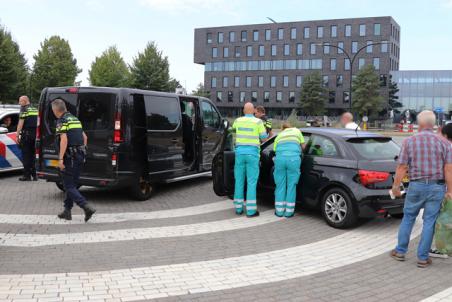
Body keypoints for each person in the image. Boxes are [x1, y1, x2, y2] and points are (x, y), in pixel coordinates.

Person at [390, 110, 452, 268]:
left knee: (408, 217)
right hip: (437, 186)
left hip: (416, 185)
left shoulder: (409, 141)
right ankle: (423, 258)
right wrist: (450, 190)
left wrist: (396, 186)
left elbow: (402, 166)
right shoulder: (445, 143)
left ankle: (400, 251)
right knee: (429, 221)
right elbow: (448, 170)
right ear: (433, 124)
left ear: (419, 123)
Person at [52, 99, 96, 222]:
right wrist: (83, 152)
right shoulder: (75, 119)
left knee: (68, 185)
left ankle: (86, 207)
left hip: (69, 157)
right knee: (72, 185)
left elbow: (64, 140)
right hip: (79, 156)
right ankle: (67, 211)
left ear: (55, 110)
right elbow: (85, 137)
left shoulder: (62, 120)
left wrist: (60, 159)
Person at [232, 102, 268, 217]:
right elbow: (264, 138)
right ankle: (251, 211)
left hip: (239, 154)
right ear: (253, 111)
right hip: (252, 155)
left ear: (243, 110)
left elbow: (233, 131)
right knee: (251, 182)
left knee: (239, 180)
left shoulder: (237, 121)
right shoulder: (258, 122)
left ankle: (238, 209)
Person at [273, 122, 305, 217]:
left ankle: (279, 211)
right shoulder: (297, 131)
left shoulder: (279, 135)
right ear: (290, 127)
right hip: (293, 160)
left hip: (280, 160)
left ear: (282, 129)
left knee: (280, 185)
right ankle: (289, 212)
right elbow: (303, 147)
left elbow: (275, 150)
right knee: (291, 185)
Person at [429, 122, 452, 259]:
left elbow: (448, 170)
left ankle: (442, 249)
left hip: (448, 188)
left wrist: (449, 190)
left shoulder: (448, 148)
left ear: (446, 135)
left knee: (444, 220)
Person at [16, 96, 38, 181]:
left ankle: (27, 176)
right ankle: (35, 175)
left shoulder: (24, 109)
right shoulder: (35, 109)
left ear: (24, 101)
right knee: (33, 155)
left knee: (26, 155)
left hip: (26, 135)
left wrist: (17, 135)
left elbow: (20, 124)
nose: (19, 103)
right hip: (34, 135)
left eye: (20, 101)